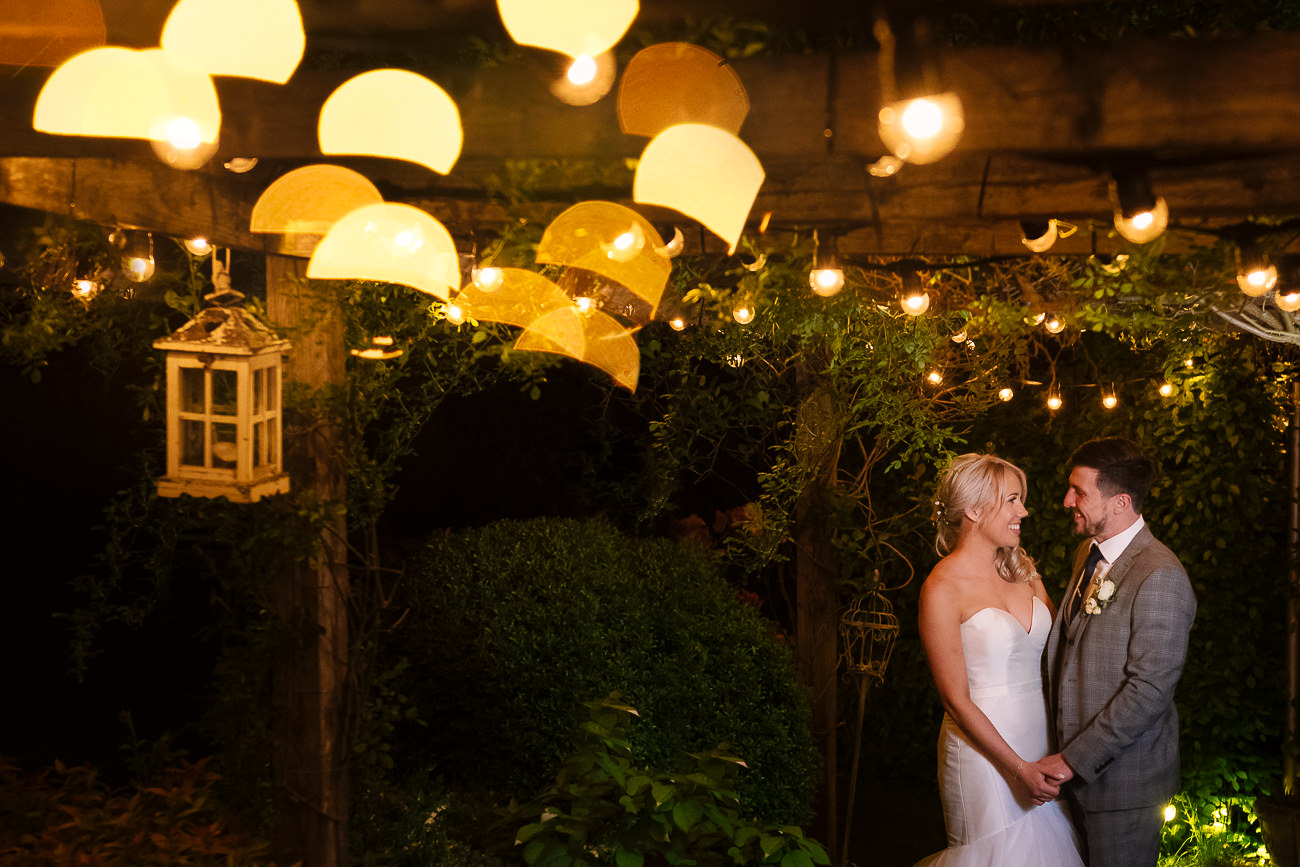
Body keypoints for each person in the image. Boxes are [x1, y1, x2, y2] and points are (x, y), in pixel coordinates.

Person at [914, 454, 1084, 867]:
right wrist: (1018, 769)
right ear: (973, 509)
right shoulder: (941, 588)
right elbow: (955, 699)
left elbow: (1065, 651)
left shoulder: (1023, 571)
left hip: (1039, 740)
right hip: (982, 752)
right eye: (1011, 500)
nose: (1022, 511)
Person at [1042, 437, 1197, 867]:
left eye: (1080, 492)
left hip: (1123, 786)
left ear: (1120, 502)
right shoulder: (1086, 555)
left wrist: (1073, 760)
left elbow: (1148, 691)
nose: (1066, 500)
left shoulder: (1160, 575)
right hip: (1073, 780)